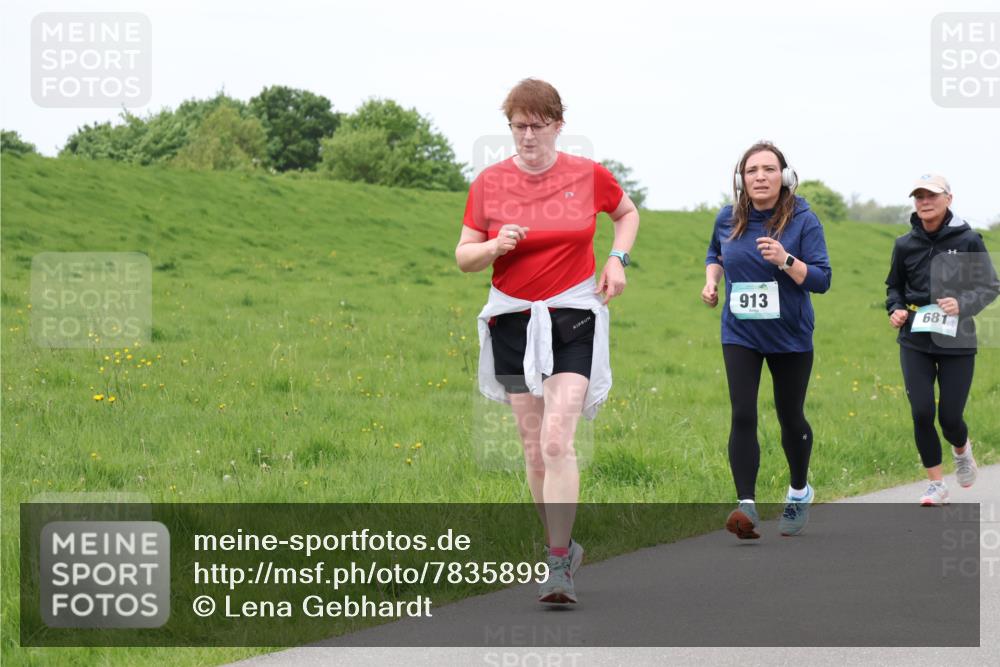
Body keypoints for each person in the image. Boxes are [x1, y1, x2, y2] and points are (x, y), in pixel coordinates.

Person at [455, 78, 639, 603]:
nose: (528, 136)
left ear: (559, 125)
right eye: (518, 126)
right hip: (511, 324)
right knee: (534, 452)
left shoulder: (587, 175)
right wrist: (494, 245)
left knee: (558, 440)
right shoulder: (489, 183)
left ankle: (558, 566)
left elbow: (627, 213)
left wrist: (616, 258)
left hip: (572, 318)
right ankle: (562, 546)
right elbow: (463, 258)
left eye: (538, 125)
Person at [701, 140, 832, 540]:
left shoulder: (804, 221)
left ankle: (798, 490)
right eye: (752, 170)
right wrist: (711, 282)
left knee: (789, 417)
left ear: (784, 176)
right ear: (741, 179)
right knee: (742, 412)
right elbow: (715, 255)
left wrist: (786, 260)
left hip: (790, 336)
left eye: (768, 169)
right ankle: (746, 506)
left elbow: (823, 280)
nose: (760, 176)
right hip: (740, 331)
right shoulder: (727, 218)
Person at [885, 174, 999, 506]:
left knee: (949, 418)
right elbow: (894, 286)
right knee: (921, 412)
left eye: (931, 195)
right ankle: (936, 484)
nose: (924, 201)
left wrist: (963, 304)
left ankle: (962, 450)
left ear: (948, 199)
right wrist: (895, 309)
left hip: (957, 341)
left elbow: (990, 286)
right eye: (918, 196)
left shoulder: (968, 240)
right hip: (916, 337)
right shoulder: (904, 244)